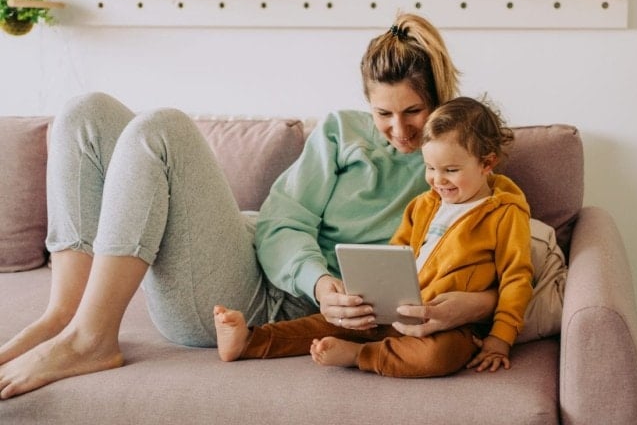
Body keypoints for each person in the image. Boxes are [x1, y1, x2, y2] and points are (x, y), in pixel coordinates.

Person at [0, 12, 497, 399]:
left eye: (414, 112)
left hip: (258, 304)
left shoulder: (461, 162)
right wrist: (319, 281)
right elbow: (282, 220)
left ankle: (92, 341)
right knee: (85, 114)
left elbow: (503, 256)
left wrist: (479, 306)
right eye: (383, 113)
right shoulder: (342, 131)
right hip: (252, 253)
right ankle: (64, 314)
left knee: (163, 130)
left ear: (441, 96)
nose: (399, 131)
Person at [213, 96, 533, 377]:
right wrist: (374, 296)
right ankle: (250, 341)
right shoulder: (423, 204)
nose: (437, 180)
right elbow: (395, 254)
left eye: (450, 170)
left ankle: (360, 355)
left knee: (439, 356)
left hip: (449, 323)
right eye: (430, 168)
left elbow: (516, 278)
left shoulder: (505, 212)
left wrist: (500, 338)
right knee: (329, 322)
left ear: (487, 163)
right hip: (397, 309)